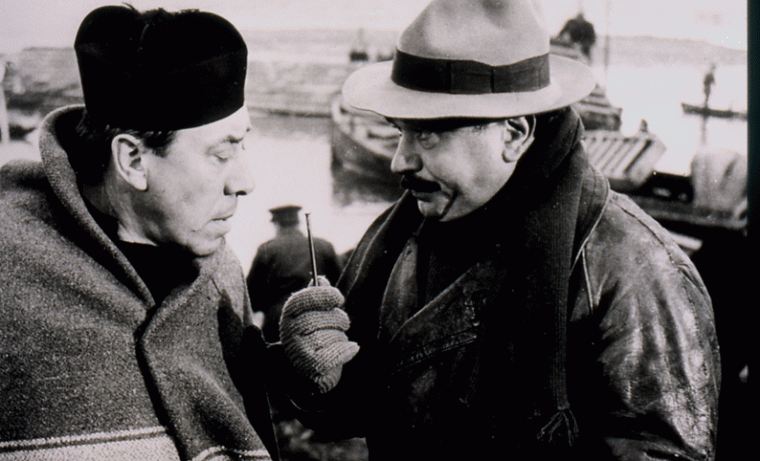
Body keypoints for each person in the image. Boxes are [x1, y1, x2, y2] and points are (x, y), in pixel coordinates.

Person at [276, 1, 720, 460]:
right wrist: (315, 367)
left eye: (427, 134)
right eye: (399, 130)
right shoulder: (405, 234)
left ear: (514, 133)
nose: (399, 160)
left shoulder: (635, 270)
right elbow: (359, 407)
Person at [0, 5, 278, 460]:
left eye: (243, 142)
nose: (246, 182)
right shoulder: (7, 274)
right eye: (221, 153)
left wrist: (287, 368)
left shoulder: (221, 269)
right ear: (132, 160)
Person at [247, 205, 341, 343]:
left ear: (276, 223)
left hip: (279, 322)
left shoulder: (267, 249)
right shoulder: (324, 246)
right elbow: (340, 284)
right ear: (298, 222)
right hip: (319, 320)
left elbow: (252, 295)